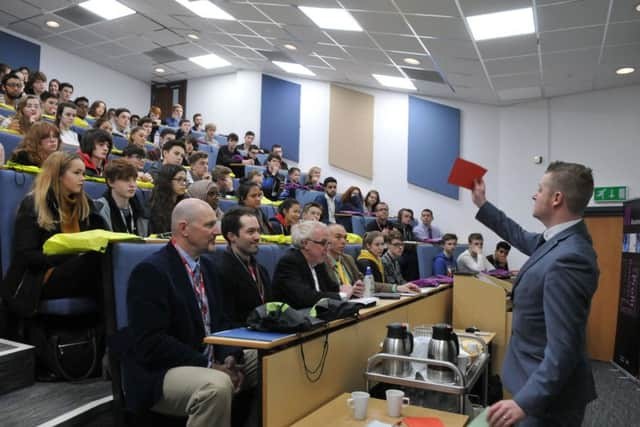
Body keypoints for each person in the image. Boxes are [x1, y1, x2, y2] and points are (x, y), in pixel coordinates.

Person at [471, 162, 598, 427]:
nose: (534, 194)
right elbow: (516, 234)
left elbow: (564, 347)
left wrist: (525, 402)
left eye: (539, 189)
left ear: (556, 198)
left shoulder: (570, 257)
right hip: (535, 381)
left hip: (548, 399)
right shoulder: (557, 241)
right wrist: (482, 203)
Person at [122, 198, 243, 425]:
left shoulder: (207, 267)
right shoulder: (151, 271)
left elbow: (222, 321)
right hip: (162, 372)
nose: (217, 231)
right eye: (208, 225)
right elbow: (152, 342)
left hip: (210, 360)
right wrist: (209, 366)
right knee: (216, 387)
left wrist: (228, 356)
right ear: (184, 229)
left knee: (267, 360)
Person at [2, 152, 105, 309]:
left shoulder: (85, 204)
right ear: (58, 175)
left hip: (77, 273)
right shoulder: (34, 204)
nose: (83, 178)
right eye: (77, 173)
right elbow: (26, 255)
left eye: (83, 173)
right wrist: (68, 256)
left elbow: (101, 235)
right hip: (41, 276)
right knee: (95, 260)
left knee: (109, 257)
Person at [272, 221, 360, 308]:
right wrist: (342, 295)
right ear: (305, 243)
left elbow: (332, 288)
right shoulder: (289, 262)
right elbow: (305, 298)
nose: (327, 248)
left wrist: (353, 291)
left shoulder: (317, 261)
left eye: (328, 243)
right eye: (323, 243)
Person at [218, 207, 271, 326]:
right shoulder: (222, 271)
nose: (257, 237)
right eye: (251, 232)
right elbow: (227, 320)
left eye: (258, 231)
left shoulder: (261, 270)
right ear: (232, 236)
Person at [94, 159, 147, 236]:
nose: (132, 185)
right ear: (110, 182)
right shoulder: (99, 210)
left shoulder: (140, 207)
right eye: (126, 180)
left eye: (134, 180)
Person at [148, 164, 189, 235]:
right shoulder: (154, 206)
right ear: (167, 181)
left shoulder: (185, 203)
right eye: (179, 179)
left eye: (184, 180)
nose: (183, 184)